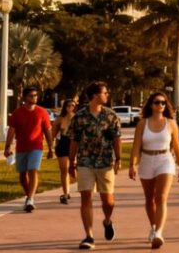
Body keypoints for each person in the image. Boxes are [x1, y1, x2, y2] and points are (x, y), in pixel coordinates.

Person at [69, 81, 122, 250]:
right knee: (86, 197)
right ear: (95, 96)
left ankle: (107, 221)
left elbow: (116, 138)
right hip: (85, 161)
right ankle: (89, 236)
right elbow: (74, 140)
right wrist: (72, 162)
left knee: (108, 201)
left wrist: (119, 158)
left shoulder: (111, 115)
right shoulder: (80, 116)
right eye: (104, 93)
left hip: (105, 162)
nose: (107, 95)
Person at [129, 92, 179, 249]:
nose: (160, 105)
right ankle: (153, 227)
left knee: (161, 197)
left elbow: (177, 147)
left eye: (163, 103)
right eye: (157, 102)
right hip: (146, 160)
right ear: (151, 105)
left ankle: (159, 232)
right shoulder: (142, 124)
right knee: (149, 199)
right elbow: (136, 146)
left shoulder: (171, 123)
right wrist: (132, 164)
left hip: (165, 160)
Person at [3, 86, 54, 212]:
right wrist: (7, 146)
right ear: (25, 97)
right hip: (21, 147)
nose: (34, 97)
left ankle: (30, 199)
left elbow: (48, 131)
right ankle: (29, 196)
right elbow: (12, 130)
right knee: (22, 176)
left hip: (36, 147)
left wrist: (51, 148)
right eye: (31, 95)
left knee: (33, 170)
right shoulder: (17, 113)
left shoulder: (42, 112)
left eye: (36, 95)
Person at [51, 99, 78, 205]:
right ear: (65, 107)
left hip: (75, 143)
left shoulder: (78, 118)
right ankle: (66, 193)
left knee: (76, 170)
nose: (71, 107)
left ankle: (85, 192)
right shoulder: (60, 118)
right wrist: (50, 146)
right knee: (64, 170)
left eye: (73, 105)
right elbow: (53, 134)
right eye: (68, 105)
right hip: (63, 143)